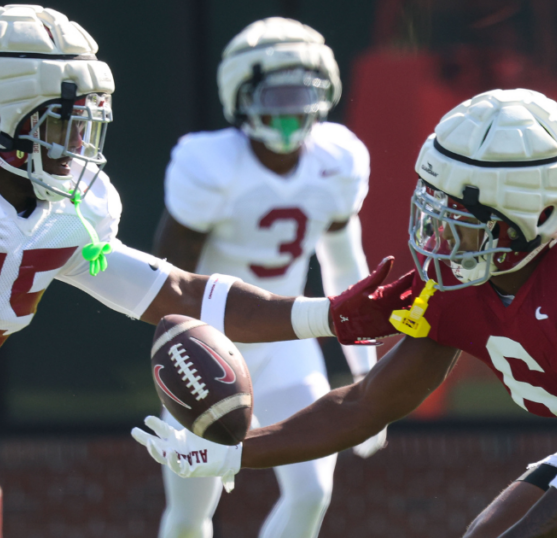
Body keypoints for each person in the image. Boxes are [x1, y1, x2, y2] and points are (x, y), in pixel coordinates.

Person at [0, 6, 393, 536]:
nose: (80, 140)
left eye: (86, 120)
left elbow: (180, 292)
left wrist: (331, 316)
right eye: (63, 120)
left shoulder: (66, 215)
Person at [137, 89, 557, 538]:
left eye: (460, 220)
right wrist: (232, 451)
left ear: (536, 218)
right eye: (432, 208)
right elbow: (364, 406)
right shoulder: (460, 279)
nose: (435, 236)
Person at [152, 17, 384, 538]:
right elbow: (169, 280)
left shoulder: (336, 157)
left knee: (312, 491)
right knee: (192, 508)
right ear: (241, 94)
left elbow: (345, 267)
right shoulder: (211, 162)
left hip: (285, 342)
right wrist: (181, 354)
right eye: (276, 95)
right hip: (209, 344)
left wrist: (367, 377)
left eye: (304, 94)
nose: (290, 111)